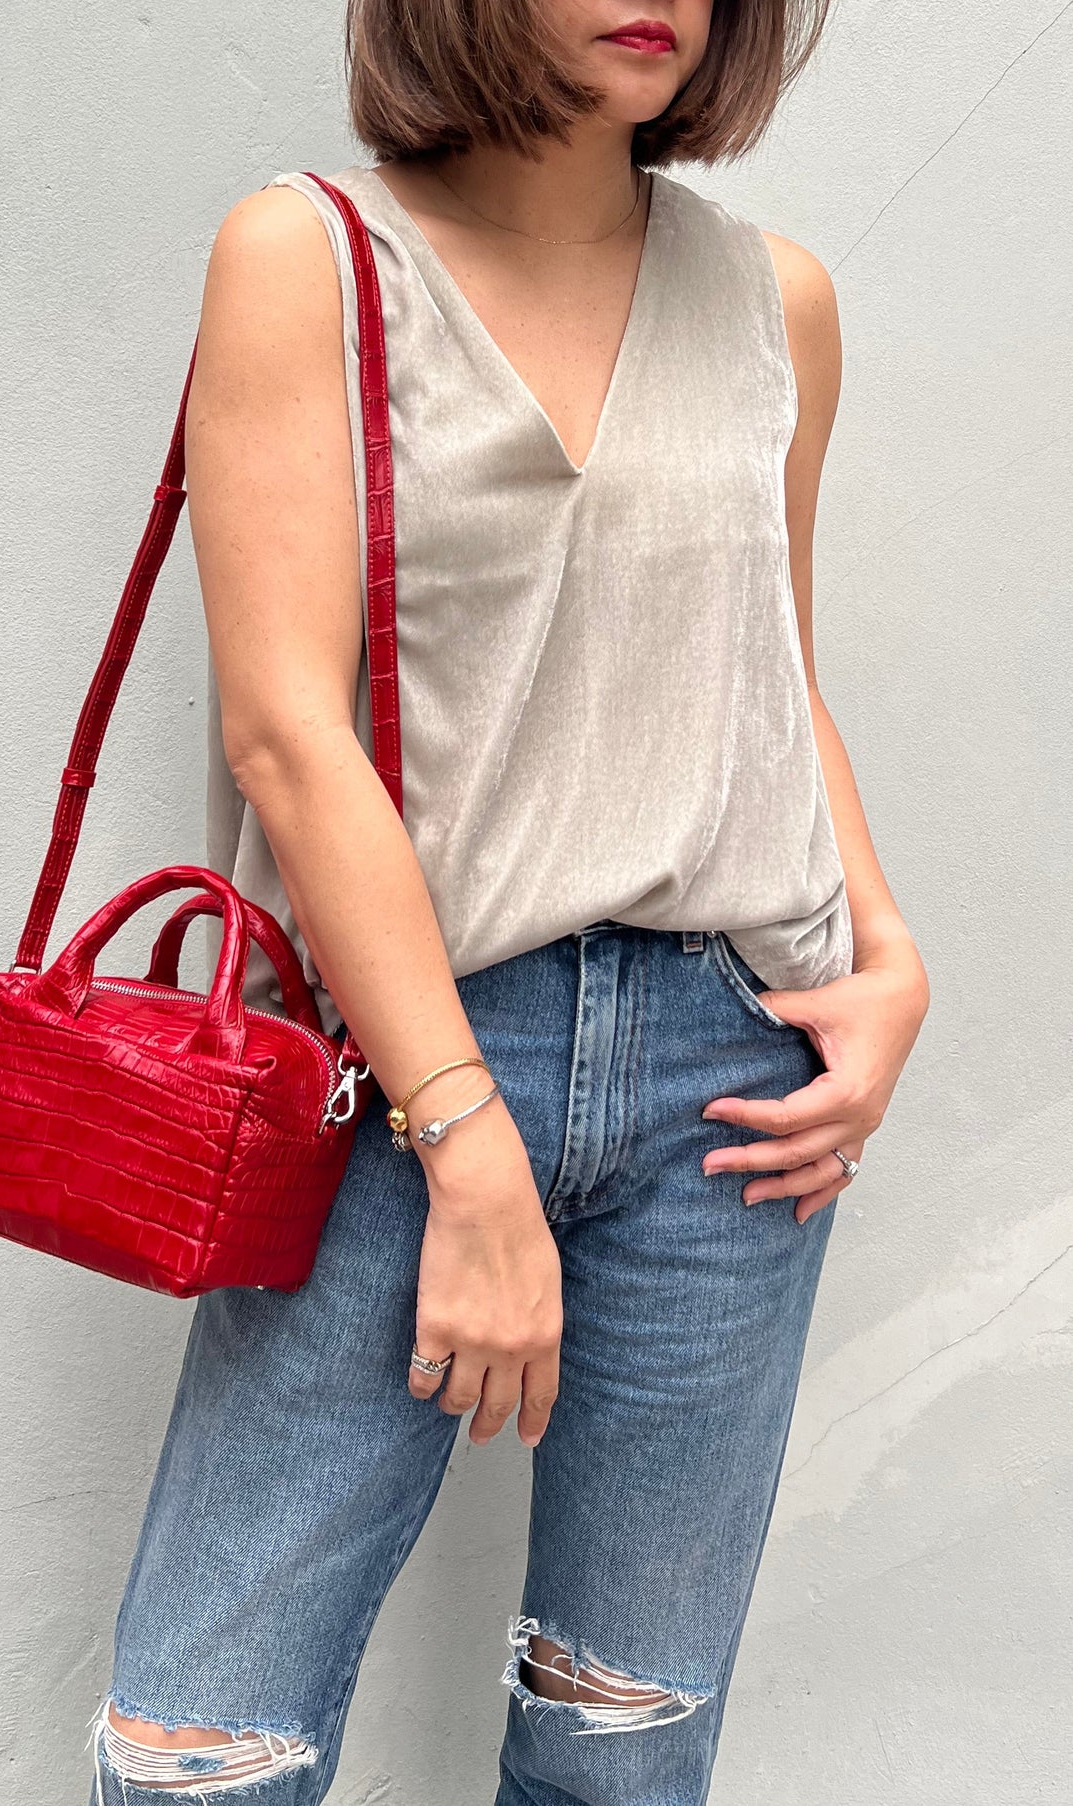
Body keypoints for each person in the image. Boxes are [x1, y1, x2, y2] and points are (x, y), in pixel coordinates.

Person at [87, 2, 929, 1800]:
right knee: (202, 1748)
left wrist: (888, 950)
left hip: (733, 1074)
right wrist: (463, 1139)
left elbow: (769, 674)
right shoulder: (310, 259)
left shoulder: (773, 297)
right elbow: (286, 733)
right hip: (397, 1067)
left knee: (624, 1733)